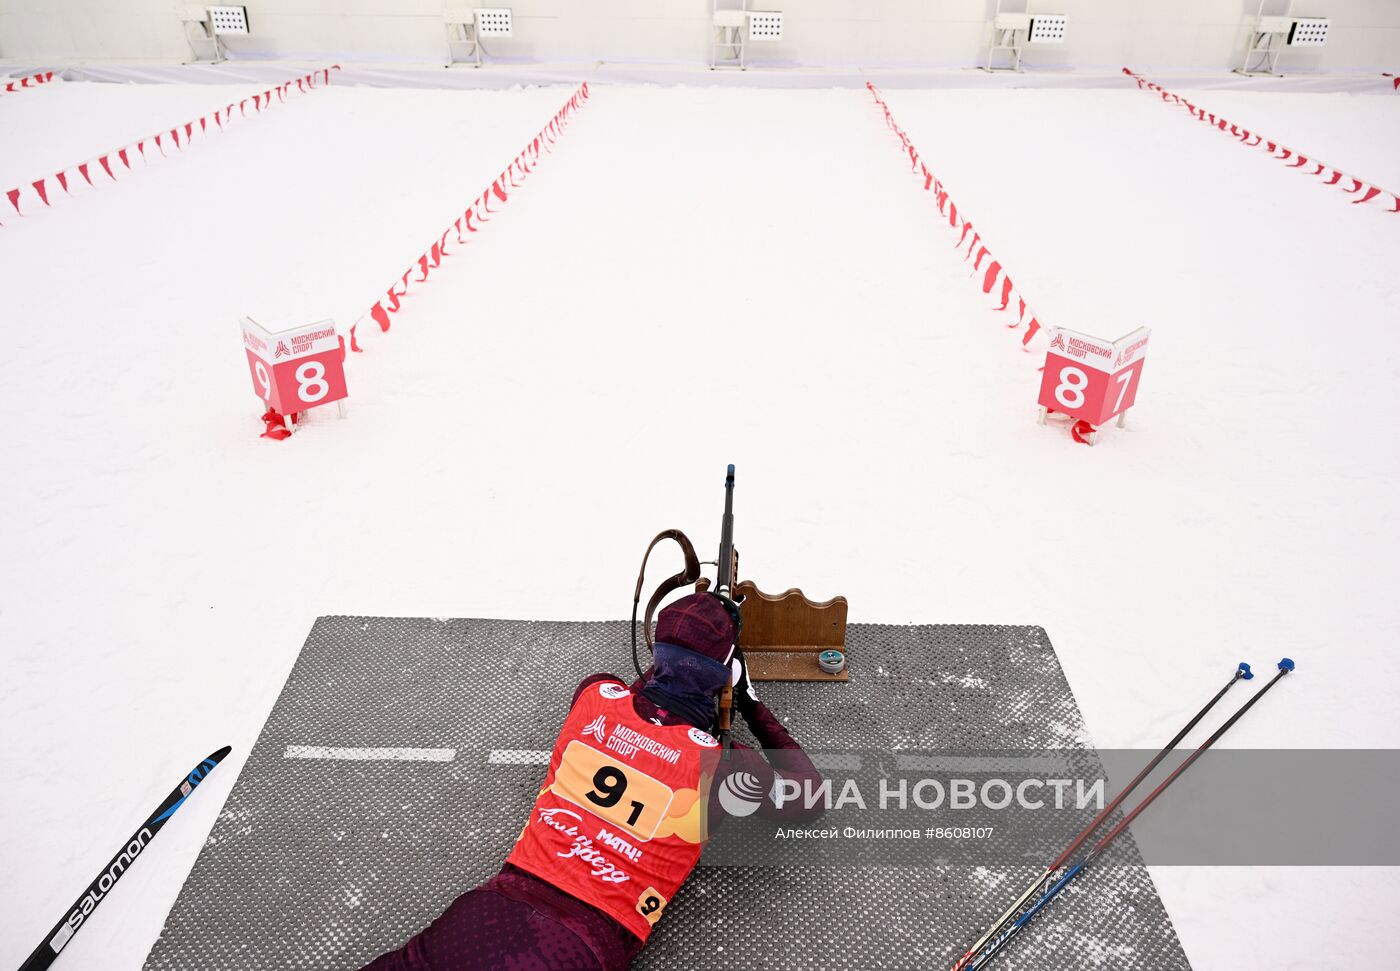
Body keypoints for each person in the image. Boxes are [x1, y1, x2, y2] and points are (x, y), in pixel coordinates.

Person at [360, 592, 824, 971]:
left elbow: (644, 696)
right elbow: (811, 797)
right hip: (578, 945)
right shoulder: (724, 765)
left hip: (489, 909)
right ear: (723, 672)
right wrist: (748, 700)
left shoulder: (594, 695)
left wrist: (682, 675)